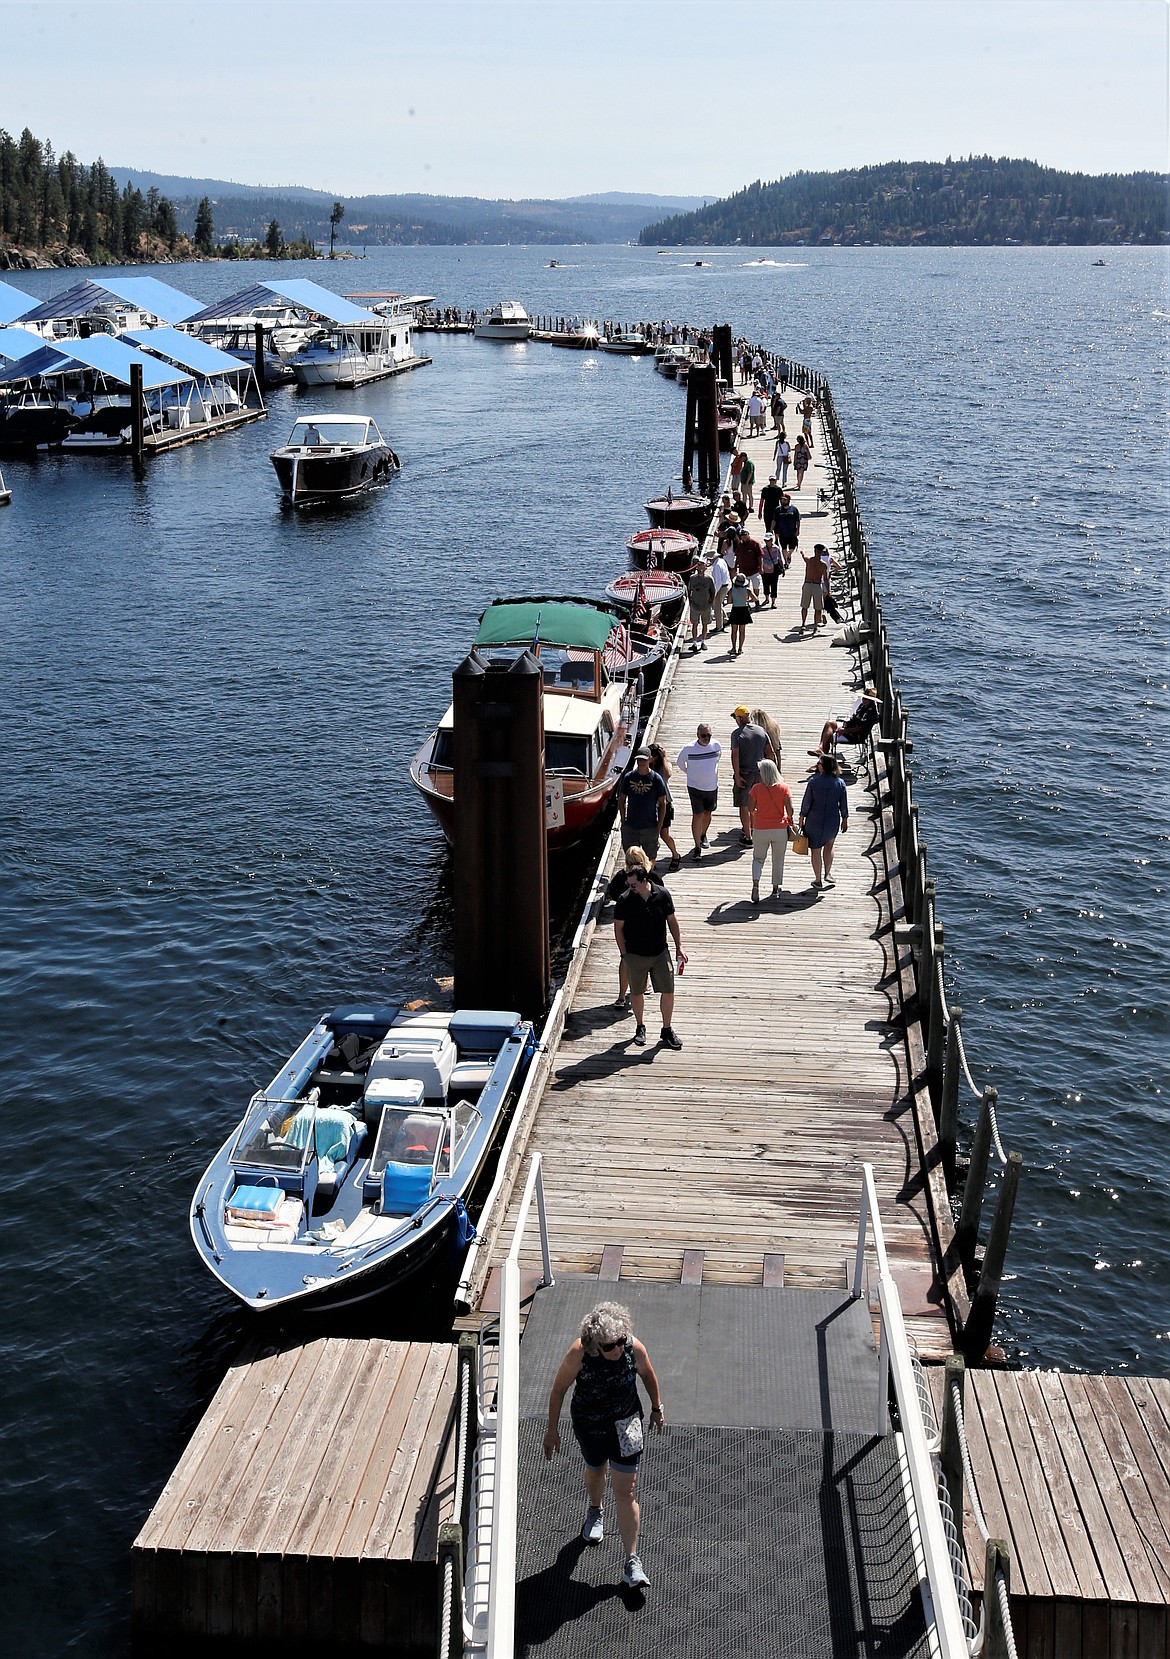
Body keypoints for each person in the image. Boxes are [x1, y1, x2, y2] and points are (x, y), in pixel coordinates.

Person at [544, 1301, 664, 1591]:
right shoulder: (579, 1354)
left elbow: (647, 1375)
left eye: (622, 1342)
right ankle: (595, 1510)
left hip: (626, 1424)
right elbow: (559, 1389)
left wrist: (657, 1408)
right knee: (596, 1470)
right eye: (611, 1346)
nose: (619, 1349)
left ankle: (632, 1562)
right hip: (591, 1425)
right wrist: (552, 1431)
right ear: (595, 1344)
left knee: (627, 1490)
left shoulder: (633, 1349)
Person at [612, 864, 687, 1048]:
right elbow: (618, 928)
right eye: (628, 884)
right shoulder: (625, 900)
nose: (631, 888)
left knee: (668, 990)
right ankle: (640, 1027)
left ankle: (667, 1029)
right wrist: (624, 954)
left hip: (660, 952)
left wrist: (679, 947)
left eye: (633, 884)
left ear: (644, 881)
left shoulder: (662, 895)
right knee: (636, 992)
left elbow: (672, 920)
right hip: (635, 955)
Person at [607, 846, 663, 1009]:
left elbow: (613, 894)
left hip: (635, 925)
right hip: (639, 925)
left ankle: (623, 995)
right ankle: (626, 993)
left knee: (628, 959)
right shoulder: (650, 877)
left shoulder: (622, 877)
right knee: (633, 958)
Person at [799, 751, 849, 890]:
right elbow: (843, 804)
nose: (817, 766)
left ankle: (818, 879)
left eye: (819, 763)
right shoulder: (840, 783)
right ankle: (828, 873)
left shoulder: (814, 782)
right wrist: (845, 819)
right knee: (830, 845)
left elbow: (806, 802)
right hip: (832, 819)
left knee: (816, 850)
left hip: (814, 820)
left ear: (823, 767)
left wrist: (801, 817)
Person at [748, 758, 794, 902]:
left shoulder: (756, 788)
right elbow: (790, 811)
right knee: (778, 859)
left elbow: (750, 809)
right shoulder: (784, 788)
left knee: (758, 858)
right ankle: (775, 889)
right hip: (779, 829)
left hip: (760, 828)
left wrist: (759, 812)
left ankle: (756, 884)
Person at [676, 721, 722, 859]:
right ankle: (697, 847)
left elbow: (717, 759)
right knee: (697, 815)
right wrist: (690, 773)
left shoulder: (716, 745)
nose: (706, 738)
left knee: (708, 813)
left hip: (712, 786)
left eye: (709, 735)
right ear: (697, 735)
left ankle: (703, 835)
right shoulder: (688, 748)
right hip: (695, 787)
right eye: (703, 736)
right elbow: (680, 763)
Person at [730, 704, 776, 845]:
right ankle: (755, 830)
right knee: (756, 804)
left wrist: (737, 775)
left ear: (740, 718)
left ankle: (748, 837)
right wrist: (767, 771)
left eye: (735, 717)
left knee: (743, 805)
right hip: (760, 774)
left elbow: (735, 756)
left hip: (745, 774)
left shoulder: (737, 734)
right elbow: (771, 753)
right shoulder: (761, 731)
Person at [618, 748, 667, 861]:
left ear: (650, 759)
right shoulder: (629, 777)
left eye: (644, 759)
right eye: (639, 759)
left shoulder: (656, 779)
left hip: (649, 826)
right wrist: (623, 821)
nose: (641, 762)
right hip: (631, 826)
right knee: (631, 858)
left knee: (650, 858)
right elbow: (622, 800)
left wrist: (659, 826)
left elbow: (662, 803)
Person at [815, 686, 881, 754]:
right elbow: (854, 719)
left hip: (855, 736)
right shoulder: (862, 706)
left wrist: (845, 730)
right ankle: (820, 748)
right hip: (849, 728)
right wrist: (845, 725)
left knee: (828, 736)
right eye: (863, 698)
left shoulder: (871, 712)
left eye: (867, 699)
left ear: (871, 700)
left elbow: (861, 728)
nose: (864, 700)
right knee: (829, 723)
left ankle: (822, 756)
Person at [647, 742, 680, 870]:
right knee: (649, 834)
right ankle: (650, 860)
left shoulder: (663, 766)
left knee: (664, 834)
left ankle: (675, 855)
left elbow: (668, 774)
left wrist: (664, 757)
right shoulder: (646, 767)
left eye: (650, 756)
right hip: (649, 805)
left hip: (663, 805)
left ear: (655, 757)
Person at [801, 543, 831, 633]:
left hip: (807, 584)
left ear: (815, 551)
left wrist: (803, 552)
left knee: (804, 606)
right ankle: (815, 626)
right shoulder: (823, 565)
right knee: (818, 608)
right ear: (821, 553)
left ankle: (803, 624)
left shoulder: (809, 560)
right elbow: (826, 579)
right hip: (817, 586)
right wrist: (828, 591)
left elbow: (804, 556)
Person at [686, 560, 716, 652]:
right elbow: (688, 590)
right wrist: (690, 602)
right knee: (694, 624)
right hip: (695, 605)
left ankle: (703, 642)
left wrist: (711, 603)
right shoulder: (692, 578)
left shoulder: (709, 579)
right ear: (697, 567)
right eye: (699, 566)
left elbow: (713, 592)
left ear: (705, 568)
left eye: (703, 566)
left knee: (705, 624)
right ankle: (694, 643)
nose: (701, 569)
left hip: (706, 605)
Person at [732, 526, 763, 607]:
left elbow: (760, 556)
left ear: (748, 535)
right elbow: (737, 556)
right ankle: (747, 603)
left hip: (754, 570)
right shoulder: (739, 544)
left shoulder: (755, 544)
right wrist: (735, 567)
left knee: (756, 586)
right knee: (745, 588)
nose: (744, 537)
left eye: (745, 535)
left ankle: (756, 601)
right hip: (743, 571)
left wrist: (761, 567)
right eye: (742, 535)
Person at [727, 572, 753, 656]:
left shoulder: (732, 590)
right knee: (742, 631)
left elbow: (729, 601)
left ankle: (733, 648)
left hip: (735, 609)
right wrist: (748, 601)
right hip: (744, 610)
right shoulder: (747, 590)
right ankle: (740, 648)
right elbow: (755, 599)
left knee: (734, 631)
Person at [773, 492, 800, 569]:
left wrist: (798, 530)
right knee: (783, 548)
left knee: (793, 547)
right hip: (782, 532)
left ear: (788, 500)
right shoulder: (778, 509)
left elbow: (798, 520)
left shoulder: (794, 509)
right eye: (782, 499)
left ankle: (789, 554)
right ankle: (785, 562)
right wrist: (771, 529)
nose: (783, 501)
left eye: (785, 500)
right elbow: (774, 520)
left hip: (792, 532)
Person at [709, 544, 731, 631]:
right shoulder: (721, 560)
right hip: (726, 584)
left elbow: (718, 582)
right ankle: (725, 619)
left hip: (721, 587)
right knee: (719, 604)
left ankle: (719, 627)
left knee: (717, 607)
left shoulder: (716, 566)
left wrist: (714, 593)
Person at [760, 533, 782, 607]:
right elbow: (760, 559)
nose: (766, 542)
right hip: (765, 569)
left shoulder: (776, 548)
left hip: (774, 569)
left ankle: (773, 601)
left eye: (768, 540)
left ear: (771, 540)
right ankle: (766, 598)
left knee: (774, 585)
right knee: (765, 584)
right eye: (765, 540)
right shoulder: (763, 549)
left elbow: (780, 558)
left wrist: (782, 567)